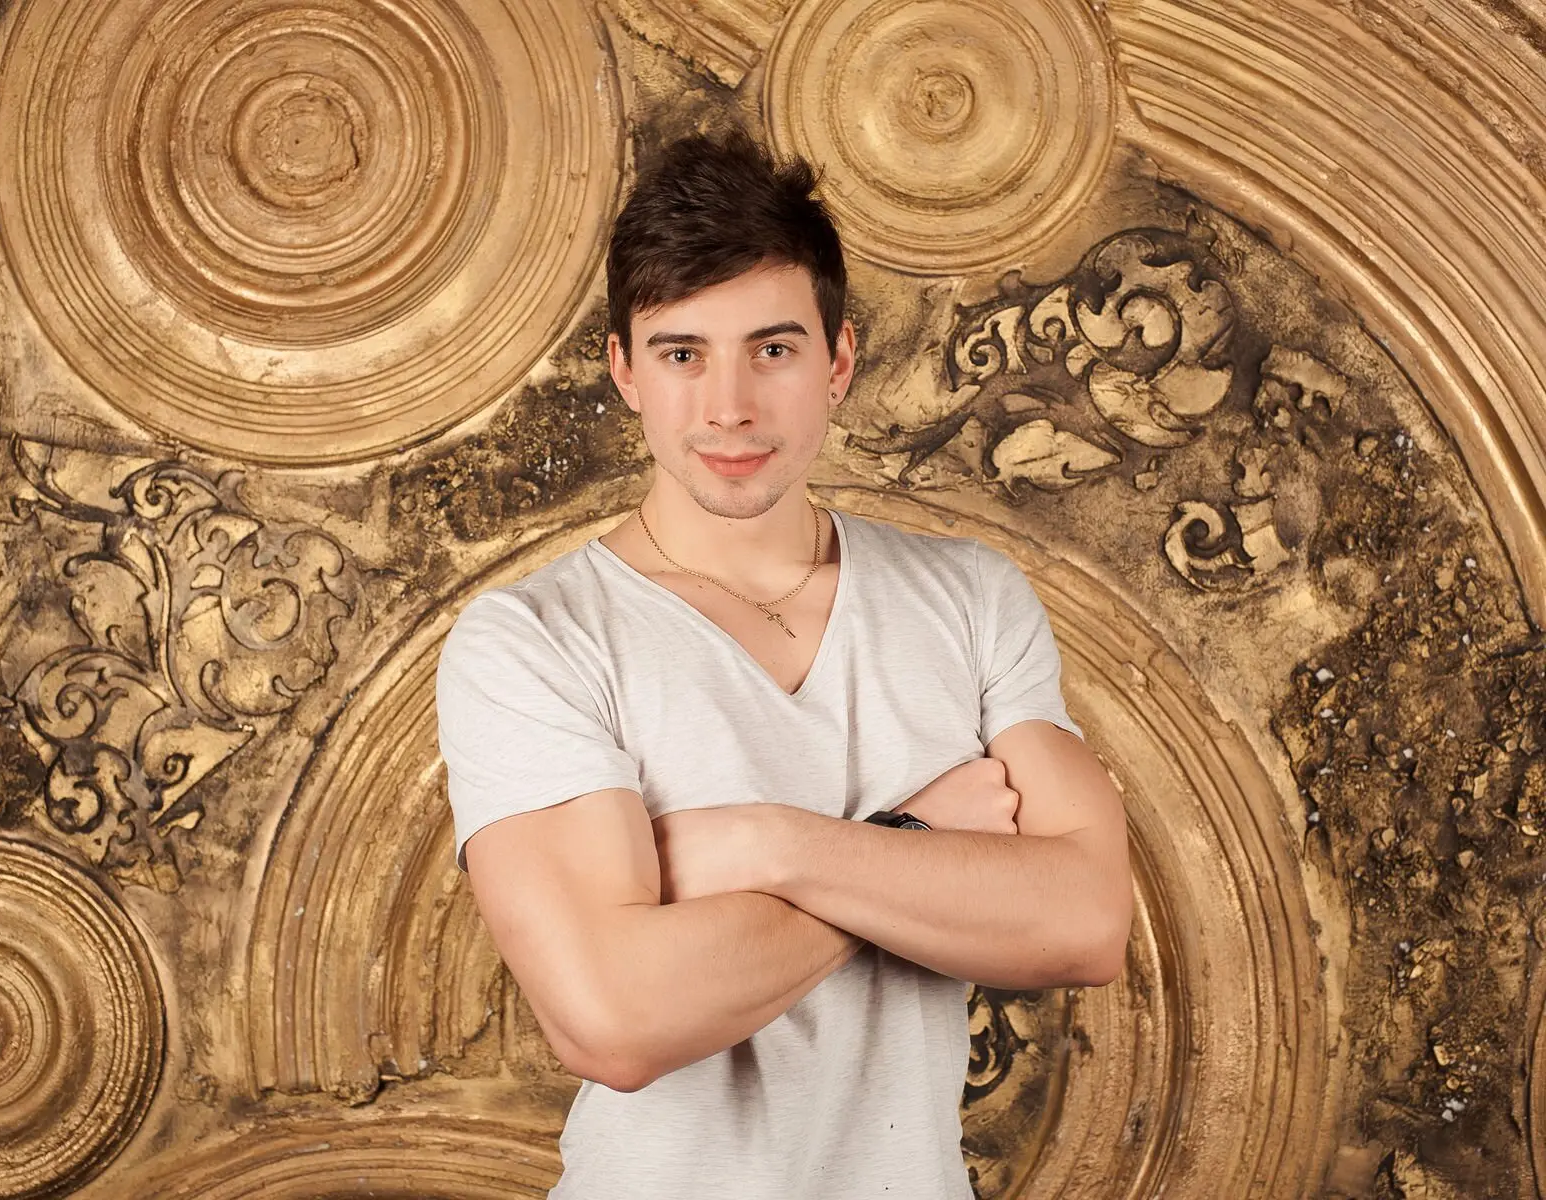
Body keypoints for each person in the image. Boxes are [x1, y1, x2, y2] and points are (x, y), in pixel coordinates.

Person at [434, 128, 1131, 1199]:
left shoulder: (970, 597)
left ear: (837, 361)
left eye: (772, 350)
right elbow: (614, 1021)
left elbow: (1084, 920)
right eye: (682, 354)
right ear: (624, 371)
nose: (729, 407)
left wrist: (766, 844)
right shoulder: (532, 639)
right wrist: (915, 839)